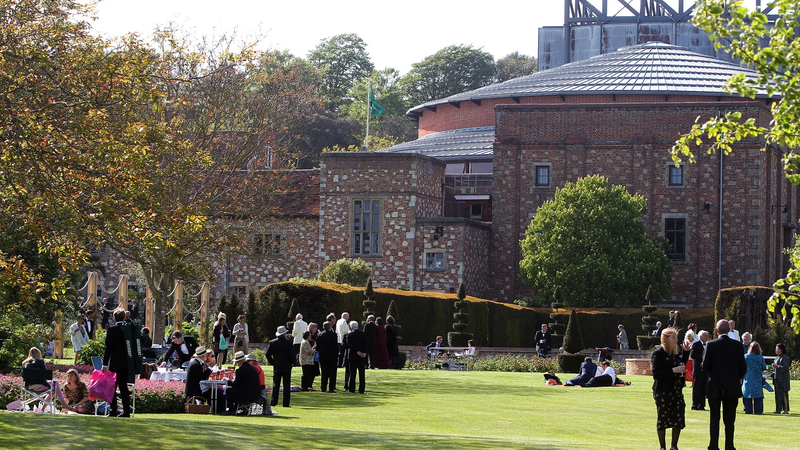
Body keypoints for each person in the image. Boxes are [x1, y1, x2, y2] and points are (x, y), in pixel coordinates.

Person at [703, 319, 747, 450]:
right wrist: (734, 378)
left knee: (714, 418)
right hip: (732, 387)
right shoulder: (738, 346)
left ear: (717, 331)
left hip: (715, 386)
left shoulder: (711, 345)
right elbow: (743, 368)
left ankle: (713, 445)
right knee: (730, 420)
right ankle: (729, 445)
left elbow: (704, 367)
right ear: (729, 330)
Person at [651, 327, 691, 450]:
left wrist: (686, 352)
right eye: (673, 337)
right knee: (663, 416)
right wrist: (673, 370)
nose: (676, 340)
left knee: (678, 416)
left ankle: (674, 446)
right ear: (666, 339)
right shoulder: (658, 354)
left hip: (676, 390)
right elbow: (656, 374)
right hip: (663, 390)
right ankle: (662, 446)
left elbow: (681, 363)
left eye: (676, 337)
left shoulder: (674, 354)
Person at [102, 307, 133, 417]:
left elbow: (108, 348)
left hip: (114, 363)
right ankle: (126, 411)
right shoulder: (129, 330)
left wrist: (105, 364)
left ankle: (113, 410)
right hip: (126, 364)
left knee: (112, 388)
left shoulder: (112, 330)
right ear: (124, 317)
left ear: (114, 318)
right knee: (124, 388)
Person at [266, 325, 293, 408]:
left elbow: (267, 354)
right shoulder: (288, 343)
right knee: (286, 385)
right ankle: (286, 403)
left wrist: (273, 362)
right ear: (284, 333)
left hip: (277, 365)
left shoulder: (273, 343)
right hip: (286, 365)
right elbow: (292, 355)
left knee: (276, 384)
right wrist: (291, 363)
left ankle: (273, 402)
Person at [742, 341, 767, 414]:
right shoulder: (760, 357)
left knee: (747, 394)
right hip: (757, 378)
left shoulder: (746, 356)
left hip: (748, 378)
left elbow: (742, 367)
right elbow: (764, 367)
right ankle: (758, 410)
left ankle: (748, 409)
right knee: (758, 396)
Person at [343, 321, 368, 393]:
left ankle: (352, 388)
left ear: (350, 327)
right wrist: (364, 352)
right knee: (361, 373)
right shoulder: (363, 334)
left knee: (352, 373)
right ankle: (362, 389)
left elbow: (349, 345)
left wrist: (357, 351)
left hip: (353, 355)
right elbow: (366, 344)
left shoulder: (349, 335)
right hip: (362, 356)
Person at [690, 330, 710, 410]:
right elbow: (693, 355)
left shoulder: (708, 345)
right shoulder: (696, 344)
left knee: (704, 388)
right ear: (700, 336)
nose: (706, 337)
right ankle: (695, 404)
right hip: (698, 370)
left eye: (707, 335)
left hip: (705, 370)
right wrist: (703, 357)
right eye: (705, 335)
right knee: (697, 388)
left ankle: (702, 405)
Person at [316, 321, 339, 392]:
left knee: (324, 372)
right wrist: (337, 354)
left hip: (323, 356)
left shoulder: (319, 335)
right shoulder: (333, 335)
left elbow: (318, 347)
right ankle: (331, 387)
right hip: (332, 356)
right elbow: (335, 346)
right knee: (332, 372)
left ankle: (323, 387)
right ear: (330, 327)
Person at [772, 343, 790, 414]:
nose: (776, 350)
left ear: (781, 349)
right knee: (778, 394)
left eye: (777, 349)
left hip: (782, 379)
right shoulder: (777, 357)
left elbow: (785, 367)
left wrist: (778, 366)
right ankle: (778, 409)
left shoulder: (784, 357)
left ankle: (785, 410)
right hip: (777, 378)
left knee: (784, 394)